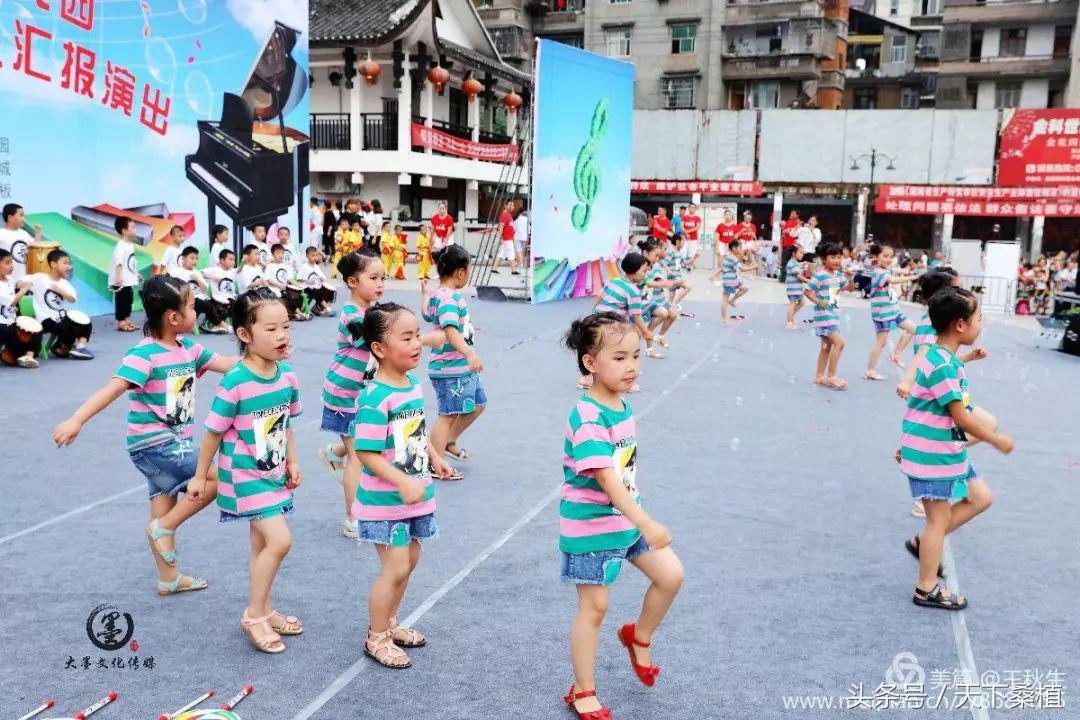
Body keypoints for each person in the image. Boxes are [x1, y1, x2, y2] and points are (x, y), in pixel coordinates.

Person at [53, 275, 236, 595]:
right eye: (193, 306)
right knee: (222, 478)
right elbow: (113, 388)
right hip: (155, 444)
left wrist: (260, 356)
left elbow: (226, 364)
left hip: (170, 443)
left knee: (163, 502)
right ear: (173, 317)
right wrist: (76, 419)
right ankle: (163, 529)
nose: (198, 311)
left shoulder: (189, 348)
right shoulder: (145, 354)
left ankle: (169, 577)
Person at [560, 312, 684, 720]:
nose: (631, 366)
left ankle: (638, 635)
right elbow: (607, 480)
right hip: (592, 527)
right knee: (594, 608)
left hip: (626, 520)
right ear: (590, 363)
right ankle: (583, 690)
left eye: (634, 356)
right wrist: (645, 521)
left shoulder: (621, 404)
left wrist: (637, 519)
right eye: (619, 358)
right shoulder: (588, 417)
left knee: (670, 576)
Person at [191, 288, 304, 654]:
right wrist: (199, 474)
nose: (282, 336)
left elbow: (286, 424)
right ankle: (254, 614)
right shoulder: (235, 382)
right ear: (244, 335)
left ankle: (265, 607)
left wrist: (293, 461)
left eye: (285, 327)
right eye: (271, 329)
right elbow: (212, 433)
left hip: (272, 473)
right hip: (244, 475)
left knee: (261, 544)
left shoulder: (287, 376)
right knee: (280, 541)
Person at [351, 302, 453, 669]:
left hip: (414, 495)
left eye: (417, 336)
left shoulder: (410, 384)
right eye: (406, 337)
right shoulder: (375, 397)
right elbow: (367, 453)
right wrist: (402, 482)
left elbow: (416, 430)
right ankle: (376, 636)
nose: (416, 344)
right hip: (386, 502)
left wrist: (435, 456)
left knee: (410, 560)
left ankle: (389, 622)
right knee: (394, 567)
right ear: (379, 348)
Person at [899, 287, 1013, 611]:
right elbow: (960, 416)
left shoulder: (942, 357)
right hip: (935, 455)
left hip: (943, 449)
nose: (981, 324)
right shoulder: (943, 364)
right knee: (937, 521)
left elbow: (921, 407)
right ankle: (926, 588)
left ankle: (924, 545)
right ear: (960, 325)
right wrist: (995, 439)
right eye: (979, 319)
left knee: (980, 498)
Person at [896, 269, 996, 518]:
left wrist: (968, 357)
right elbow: (923, 358)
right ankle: (933, 455)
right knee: (986, 426)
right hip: (944, 397)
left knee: (984, 425)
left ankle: (930, 449)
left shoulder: (927, 325)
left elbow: (940, 360)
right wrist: (907, 381)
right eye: (955, 288)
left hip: (942, 392)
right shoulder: (932, 331)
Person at [318, 250, 385, 538]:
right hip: (344, 392)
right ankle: (352, 518)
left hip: (362, 391)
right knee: (360, 455)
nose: (380, 283)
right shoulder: (351, 315)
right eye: (373, 278)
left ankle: (334, 452)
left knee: (367, 439)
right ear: (352, 281)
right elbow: (374, 337)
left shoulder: (374, 309)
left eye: (383, 277)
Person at [421, 246, 486, 477]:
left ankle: (448, 441)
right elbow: (449, 330)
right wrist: (469, 354)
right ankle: (434, 463)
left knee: (478, 404)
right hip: (450, 368)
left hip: (460, 368)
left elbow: (427, 313)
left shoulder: (439, 295)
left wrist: (425, 295)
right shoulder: (449, 299)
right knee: (447, 414)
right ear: (460, 272)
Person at [586, 252, 654, 392]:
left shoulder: (614, 281)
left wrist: (594, 316)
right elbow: (636, 316)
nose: (645, 274)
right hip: (612, 325)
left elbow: (598, 298)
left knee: (600, 352)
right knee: (622, 353)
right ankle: (624, 382)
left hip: (598, 319)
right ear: (634, 271)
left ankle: (587, 378)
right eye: (644, 271)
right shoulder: (633, 291)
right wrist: (646, 332)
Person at [26, 249, 93, 359]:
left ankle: (80, 347)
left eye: (69, 264)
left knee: (85, 323)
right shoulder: (40, 278)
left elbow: (72, 299)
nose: (68, 267)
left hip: (60, 316)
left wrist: (60, 291)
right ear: (53, 264)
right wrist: (23, 285)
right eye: (65, 263)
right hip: (45, 319)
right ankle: (62, 347)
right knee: (67, 328)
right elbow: (20, 281)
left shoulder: (64, 283)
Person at [865, 244, 919, 381]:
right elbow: (893, 280)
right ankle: (870, 370)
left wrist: (908, 272)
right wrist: (911, 277)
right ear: (877, 257)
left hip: (893, 310)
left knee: (913, 330)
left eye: (891, 256)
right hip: (883, 313)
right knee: (881, 343)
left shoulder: (885, 269)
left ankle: (896, 354)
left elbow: (895, 270)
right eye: (885, 256)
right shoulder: (878, 272)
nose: (889, 259)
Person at [804, 242, 852, 390]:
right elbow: (807, 290)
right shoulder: (820, 275)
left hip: (833, 314)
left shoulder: (838, 275)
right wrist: (818, 301)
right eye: (832, 257)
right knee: (840, 344)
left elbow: (849, 288)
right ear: (824, 259)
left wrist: (850, 278)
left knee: (826, 347)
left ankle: (819, 376)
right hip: (824, 316)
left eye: (839, 257)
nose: (837, 260)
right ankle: (831, 376)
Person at [636, 239, 681, 357]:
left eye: (658, 255)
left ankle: (656, 338)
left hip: (652, 301)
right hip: (638, 305)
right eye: (656, 255)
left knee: (668, 313)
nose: (657, 258)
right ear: (645, 253)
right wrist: (673, 282)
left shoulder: (654, 265)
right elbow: (654, 282)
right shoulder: (639, 267)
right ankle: (648, 345)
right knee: (636, 336)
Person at [174, 246, 229, 334]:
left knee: (219, 304)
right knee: (207, 306)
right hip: (189, 300)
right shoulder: (177, 272)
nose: (194, 261)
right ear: (183, 258)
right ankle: (222, 325)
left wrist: (198, 279)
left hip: (202, 298)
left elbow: (204, 290)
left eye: (196, 258)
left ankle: (211, 325)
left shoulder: (197, 272)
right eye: (192, 258)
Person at [0, 248, 41, 368]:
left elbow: (16, 284)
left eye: (12, 262)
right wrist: (25, 289)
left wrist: (26, 284)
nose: (11, 266)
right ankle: (12, 354)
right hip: (1, 324)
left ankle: (28, 356)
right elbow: (12, 301)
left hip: (11, 321)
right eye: (7, 263)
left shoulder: (9, 280)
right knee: (10, 333)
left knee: (35, 329)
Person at [111, 216, 142, 332]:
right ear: (124, 230)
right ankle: (121, 322)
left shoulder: (130, 245)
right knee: (121, 300)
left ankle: (128, 320)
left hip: (129, 279)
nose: (135, 230)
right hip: (122, 280)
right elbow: (118, 262)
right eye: (133, 227)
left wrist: (136, 273)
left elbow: (131, 262)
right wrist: (118, 277)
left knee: (129, 300)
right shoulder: (121, 245)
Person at [0, 202, 42, 281]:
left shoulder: (24, 233)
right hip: (7, 281)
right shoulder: (1, 234)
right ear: (10, 217)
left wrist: (38, 233)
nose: (23, 218)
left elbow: (35, 248)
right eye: (21, 215)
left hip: (24, 279)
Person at [201, 247, 238, 328]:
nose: (233, 262)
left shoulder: (232, 271)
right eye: (230, 259)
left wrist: (243, 261)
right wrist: (212, 277)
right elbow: (200, 273)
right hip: (218, 301)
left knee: (240, 306)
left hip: (231, 300)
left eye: (234, 260)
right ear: (222, 260)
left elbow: (240, 269)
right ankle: (218, 325)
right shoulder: (215, 270)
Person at [720, 239, 753, 324]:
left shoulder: (730, 257)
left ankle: (732, 300)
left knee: (745, 288)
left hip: (733, 279)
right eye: (739, 247)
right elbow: (743, 269)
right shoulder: (732, 258)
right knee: (725, 299)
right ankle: (724, 318)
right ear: (734, 248)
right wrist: (754, 267)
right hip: (729, 280)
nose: (741, 249)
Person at [296, 246, 336, 317]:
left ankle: (317, 309)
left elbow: (322, 276)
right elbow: (298, 278)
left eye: (316, 255)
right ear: (307, 256)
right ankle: (327, 308)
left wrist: (321, 278)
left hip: (314, 287)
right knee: (315, 291)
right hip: (306, 287)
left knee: (326, 290)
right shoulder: (304, 266)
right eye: (313, 255)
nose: (315, 257)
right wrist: (307, 280)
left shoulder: (316, 267)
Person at [709, 210, 737, 283]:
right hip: (722, 244)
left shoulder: (734, 226)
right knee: (720, 262)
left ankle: (730, 278)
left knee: (730, 262)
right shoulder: (720, 226)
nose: (727, 216)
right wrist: (718, 248)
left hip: (730, 245)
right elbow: (717, 238)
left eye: (729, 215)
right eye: (726, 215)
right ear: (724, 216)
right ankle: (717, 279)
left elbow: (735, 238)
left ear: (731, 216)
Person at [492, 200, 519, 275]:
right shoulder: (504, 215)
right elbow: (501, 227)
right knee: (511, 253)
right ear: (505, 205)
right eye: (510, 205)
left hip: (508, 238)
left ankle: (494, 269)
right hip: (507, 238)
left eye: (513, 205)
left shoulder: (509, 215)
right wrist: (500, 237)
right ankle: (513, 270)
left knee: (501, 254)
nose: (512, 207)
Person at [784, 245, 808, 330]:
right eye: (800, 252)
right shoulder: (791, 263)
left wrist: (803, 266)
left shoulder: (795, 263)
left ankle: (791, 316)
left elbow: (799, 267)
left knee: (801, 302)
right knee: (792, 304)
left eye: (803, 253)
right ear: (794, 253)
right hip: (793, 289)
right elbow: (798, 276)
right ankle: (789, 321)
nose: (802, 254)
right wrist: (808, 281)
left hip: (797, 289)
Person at [779, 210, 801, 282]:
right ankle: (782, 278)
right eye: (791, 213)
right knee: (784, 262)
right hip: (785, 244)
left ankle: (793, 278)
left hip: (793, 245)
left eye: (793, 213)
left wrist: (789, 230)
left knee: (793, 262)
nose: (791, 214)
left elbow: (795, 233)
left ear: (797, 215)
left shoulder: (799, 223)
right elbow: (784, 232)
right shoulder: (788, 222)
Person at [681, 204, 702, 270]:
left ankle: (689, 266)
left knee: (692, 253)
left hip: (693, 239)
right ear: (688, 208)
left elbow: (697, 227)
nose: (692, 209)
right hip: (685, 238)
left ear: (695, 209)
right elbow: (682, 226)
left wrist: (688, 231)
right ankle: (681, 266)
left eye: (693, 208)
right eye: (690, 207)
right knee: (682, 252)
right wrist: (685, 233)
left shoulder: (697, 218)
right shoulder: (685, 217)